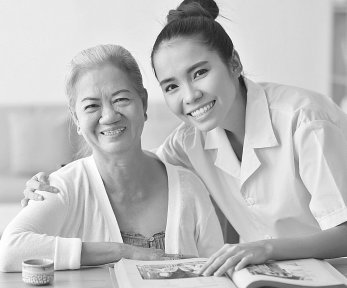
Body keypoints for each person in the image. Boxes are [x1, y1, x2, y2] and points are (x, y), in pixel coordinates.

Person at [23, 0, 347, 277]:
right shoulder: (188, 141)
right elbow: (132, 164)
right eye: (171, 86)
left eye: (200, 73)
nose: (189, 95)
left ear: (234, 63)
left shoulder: (306, 119)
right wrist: (58, 180)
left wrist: (264, 248)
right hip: (264, 278)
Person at [0, 44, 224, 272]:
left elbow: (218, 275)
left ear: (143, 103)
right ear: (76, 119)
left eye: (120, 99)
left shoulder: (189, 187)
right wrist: (122, 251)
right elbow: (9, 251)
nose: (108, 116)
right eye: (91, 106)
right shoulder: (62, 187)